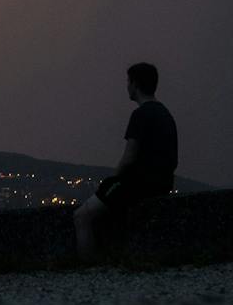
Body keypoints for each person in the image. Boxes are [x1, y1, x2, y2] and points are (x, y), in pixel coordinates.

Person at [75, 61, 178, 260]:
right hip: (164, 183)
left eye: (128, 81)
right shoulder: (166, 114)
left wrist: (112, 180)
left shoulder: (140, 115)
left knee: (82, 217)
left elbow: (129, 157)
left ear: (135, 84)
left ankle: (86, 269)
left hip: (138, 185)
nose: (126, 86)